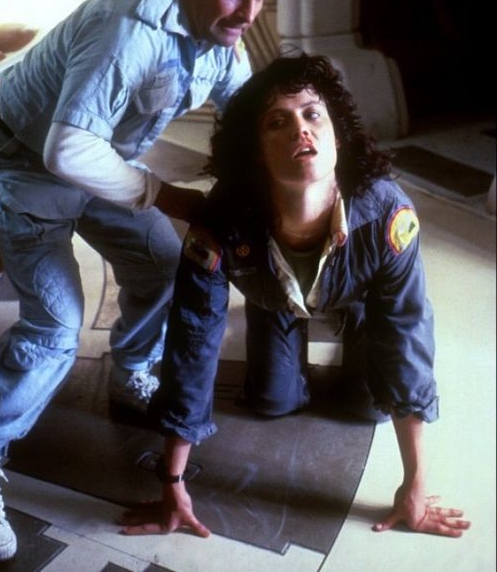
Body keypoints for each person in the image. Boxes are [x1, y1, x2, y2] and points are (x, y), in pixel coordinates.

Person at [0, 0, 282, 562]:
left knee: (163, 259)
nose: (249, 13)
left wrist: (301, 176)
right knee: (56, 325)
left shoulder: (221, 30)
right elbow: (67, 149)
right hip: (22, 163)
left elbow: (248, 114)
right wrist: (172, 196)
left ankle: (131, 369)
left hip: (98, 159)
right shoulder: (127, 33)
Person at [121, 53, 471, 540]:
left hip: (360, 295)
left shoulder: (388, 216)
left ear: (337, 136)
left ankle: (350, 322)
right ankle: (281, 313)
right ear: (256, 152)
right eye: (277, 122)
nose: (300, 130)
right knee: (273, 400)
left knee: (368, 407)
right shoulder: (219, 225)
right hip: (273, 296)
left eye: (312, 115)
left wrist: (415, 484)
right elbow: (192, 343)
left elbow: (406, 332)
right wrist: (173, 482)